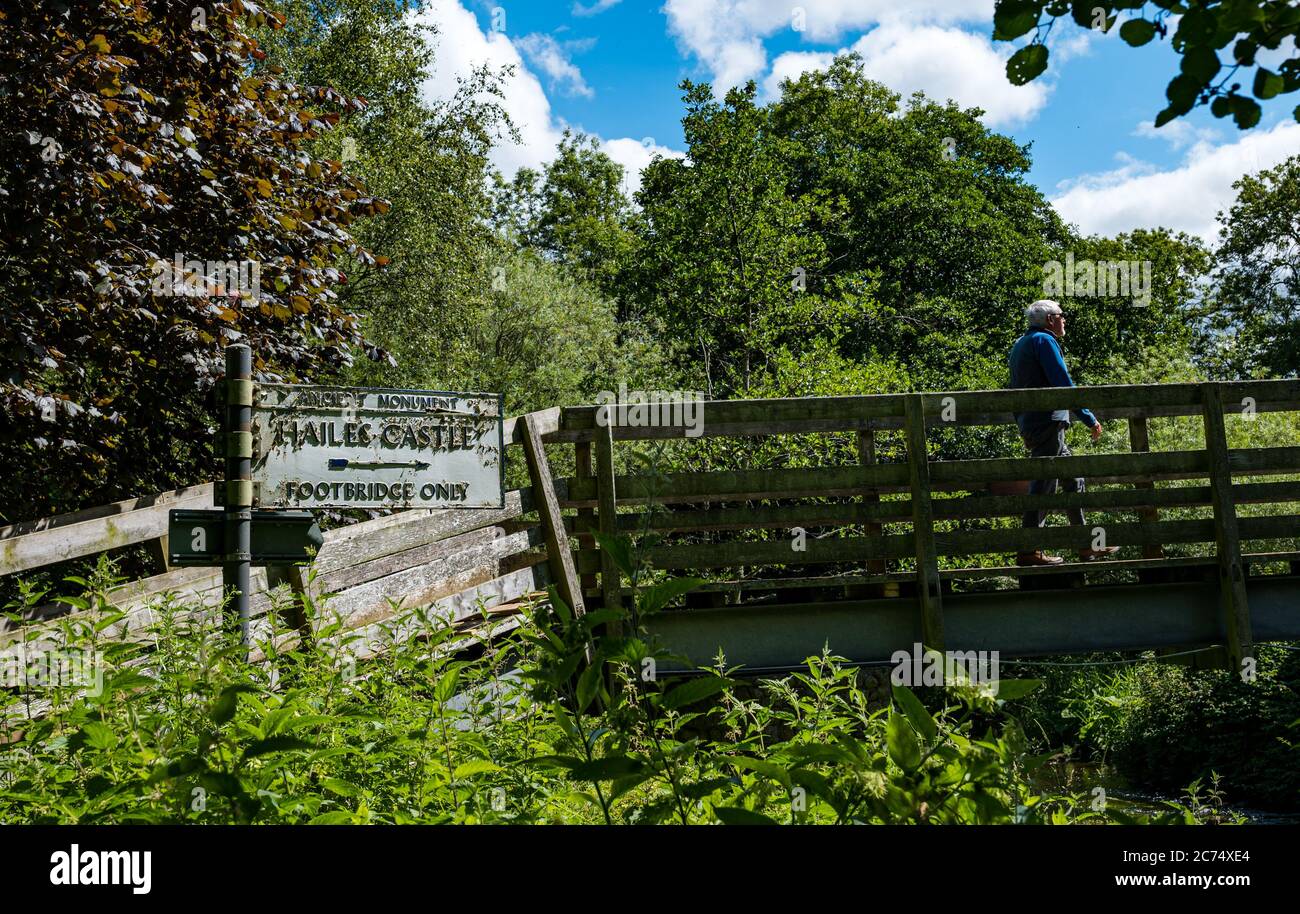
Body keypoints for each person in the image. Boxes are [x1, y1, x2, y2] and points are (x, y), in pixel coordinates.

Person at [1008, 300, 1120, 566]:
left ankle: (1086, 545)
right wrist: (1088, 417)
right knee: (1044, 484)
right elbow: (1063, 384)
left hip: (1035, 422)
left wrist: (1023, 423)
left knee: (1073, 479)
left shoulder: (1021, 343)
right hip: (1047, 423)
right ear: (1049, 320)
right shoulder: (1044, 342)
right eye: (1061, 316)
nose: (1064, 320)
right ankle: (1029, 550)